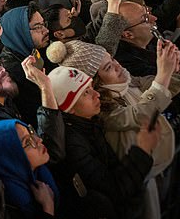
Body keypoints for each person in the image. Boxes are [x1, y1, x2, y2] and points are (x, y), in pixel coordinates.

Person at [45, 64, 160, 218]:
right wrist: (142, 150)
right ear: (69, 108)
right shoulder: (73, 144)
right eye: (86, 93)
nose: (96, 94)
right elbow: (115, 188)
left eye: (91, 87)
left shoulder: (89, 123)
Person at [0, 119, 58, 218]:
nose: (39, 140)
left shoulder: (40, 172)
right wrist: (48, 207)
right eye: (28, 141)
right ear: (9, 159)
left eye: (31, 132)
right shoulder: (10, 205)